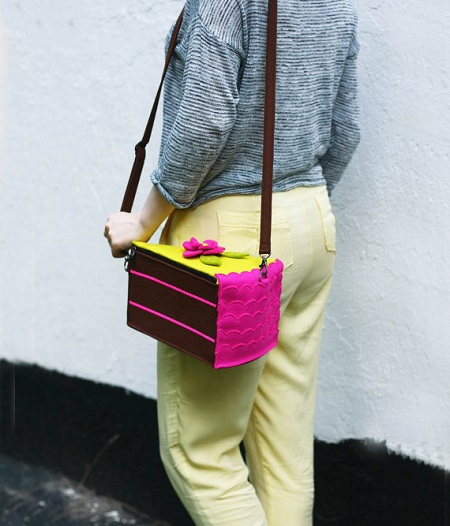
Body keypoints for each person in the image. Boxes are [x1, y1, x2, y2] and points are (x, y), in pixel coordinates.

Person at [104, 0, 360, 524]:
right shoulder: (339, 5)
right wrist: (295, 212)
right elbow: (346, 129)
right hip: (311, 219)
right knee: (284, 451)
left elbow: (202, 125)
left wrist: (143, 222)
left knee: (201, 454)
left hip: (229, 236)